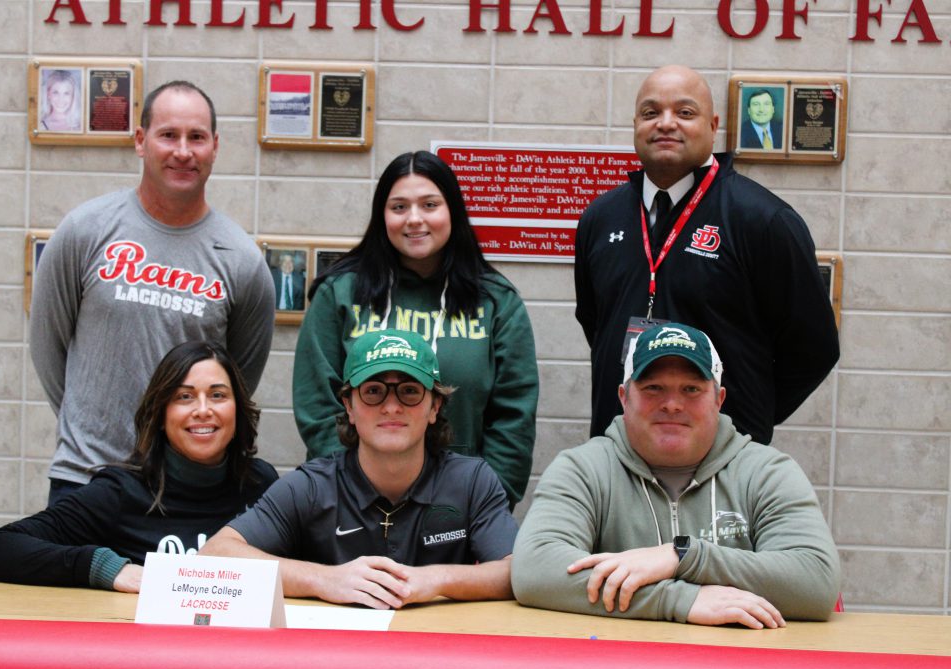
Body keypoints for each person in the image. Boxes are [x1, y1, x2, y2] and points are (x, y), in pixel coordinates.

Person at [30, 80, 275, 506]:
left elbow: (237, 379)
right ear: (141, 141)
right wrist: (87, 428)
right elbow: (47, 346)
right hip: (86, 478)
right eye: (169, 135)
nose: (183, 151)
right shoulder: (84, 231)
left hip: (187, 488)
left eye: (196, 137)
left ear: (215, 146)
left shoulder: (241, 260)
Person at [574, 65, 838, 445]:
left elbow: (814, 348)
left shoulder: (763, 221)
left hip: (724, 463)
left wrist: (746, 416)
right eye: (651, 113)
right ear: (635, 124)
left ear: (713, 126)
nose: (665, 124)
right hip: (619, 456)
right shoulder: (599, 218)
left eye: (684, 112)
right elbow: (596, 324)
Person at [512, 322, 840, 629]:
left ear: (719, 399)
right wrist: (680, 599)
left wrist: (682, 557)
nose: (672, 404)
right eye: (653, 387)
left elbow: (816, 580)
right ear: (624, 398)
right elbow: (536, 570)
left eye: (691, 389)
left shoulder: (766, 472)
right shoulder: (583, 469)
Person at [200, 329, 517, 610]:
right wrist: (325, 580)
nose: (391, 406)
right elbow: (216, 554)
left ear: (434, 406)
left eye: (409, 390)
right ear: (349, 406)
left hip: (438, 655)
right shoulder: (312, 486)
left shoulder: (472, 481)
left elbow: (515, 571)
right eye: (373, 391)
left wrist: (435, 579)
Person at [292, 150, 538, 506]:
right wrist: (352, 491)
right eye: (399, 207)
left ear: (452, 210)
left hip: (461, 505)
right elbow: (317, 406)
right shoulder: (340, 293)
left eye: (429, 205)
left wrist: (487, 503)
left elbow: (514, 417)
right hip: (353, 499)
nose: (414, 219)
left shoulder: (497, 301)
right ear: (382, 216)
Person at [0, 341, 278, 592]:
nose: (203, 410)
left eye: (217, 395)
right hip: (148, 657)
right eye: (184, 397)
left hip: (238, 656)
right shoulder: (121, 492)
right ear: (160, 415)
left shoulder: (261, 484)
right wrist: (106, 568)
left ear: (237, 408)